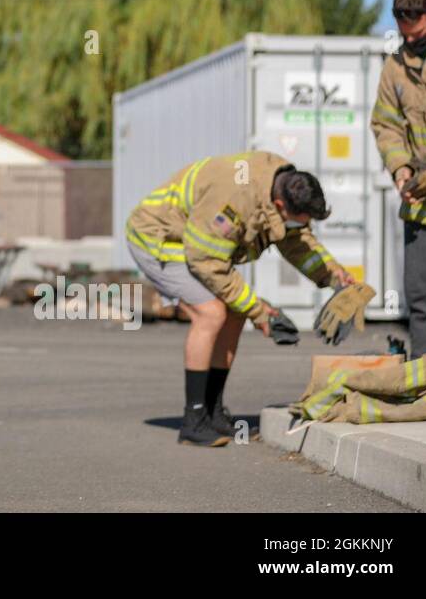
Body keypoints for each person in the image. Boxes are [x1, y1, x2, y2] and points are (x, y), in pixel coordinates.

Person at [125, 151, 354, 447]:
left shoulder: (278, 183)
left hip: (192, 242)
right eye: (301, 221)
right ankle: (194, 420)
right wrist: (261, 313)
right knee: (211, 313)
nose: (302, 226)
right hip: (158, 238)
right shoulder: (234, 197)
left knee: (235, 312)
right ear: (281, 205)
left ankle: (214, 413)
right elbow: (205, 260)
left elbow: (296, 242)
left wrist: (336, 277)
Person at [371, 0, 426, 357]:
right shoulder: (394, 68)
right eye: (405, 36)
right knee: (423, 300)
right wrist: (399, 168)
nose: (412, 43)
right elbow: (386, 124)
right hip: (421, 204)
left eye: (419, 35)